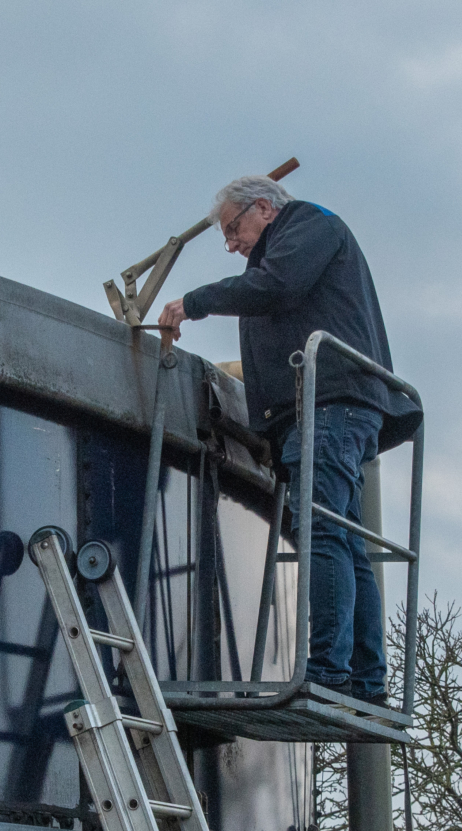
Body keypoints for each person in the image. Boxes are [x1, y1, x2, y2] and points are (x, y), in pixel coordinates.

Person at [159, 176, 420, 709]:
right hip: (326, 406)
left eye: (233, 229)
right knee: (344, 541)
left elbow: (276, 289)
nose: (231, 244)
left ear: (264, 207)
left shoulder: (308, 226)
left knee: (322, 532)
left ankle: (327, 672)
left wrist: (194, 302)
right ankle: (364, 680)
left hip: (329, 402)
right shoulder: (290, 244)